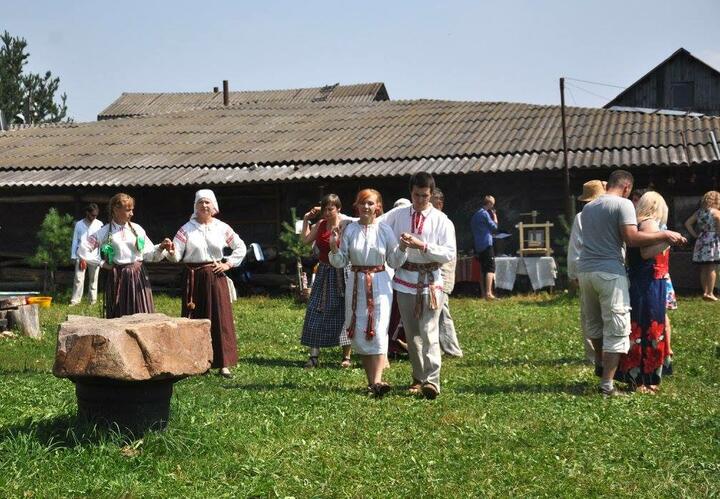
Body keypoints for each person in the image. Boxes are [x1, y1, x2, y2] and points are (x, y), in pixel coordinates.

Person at [576, 169, 686, 397]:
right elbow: (632, 239)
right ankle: (607, 384)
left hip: (585, 271)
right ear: (627, 187)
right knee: (618, 328)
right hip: (609, 272)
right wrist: (666, 236)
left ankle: (601, 364)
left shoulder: (588, 207)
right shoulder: (623, 204)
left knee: (595, 325)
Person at [380, 172, 456, 399]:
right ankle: (418, 376)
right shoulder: (398, 215)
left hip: (431, 282)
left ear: (431, 195)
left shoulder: (442, 220)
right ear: (410, 193)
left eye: (424, 196)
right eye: (416, 195)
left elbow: (449, 253)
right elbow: (375, 225)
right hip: (404, 281)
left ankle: (432, 381)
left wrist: (423, 246)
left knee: (430, 331)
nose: (420, 200)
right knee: (412, 335)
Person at [329, 189, 407, 396]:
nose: (366, 207)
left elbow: (393, 260)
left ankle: (378, 380)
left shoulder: (384, 230)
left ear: (378, 207)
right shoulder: (351, 230)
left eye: (371, 203)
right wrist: (334, 247)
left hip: (380, 284)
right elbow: (340, 261)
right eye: (363, 203)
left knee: (379, 329)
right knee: (361, 329)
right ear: (357, 205)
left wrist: (402, 248)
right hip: (356, 283)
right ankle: (372, 382)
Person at [166, 189, 246, 378]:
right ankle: (198, 363)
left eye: (207, 202)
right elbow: (176, 255)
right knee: (195, 319)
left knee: (220, 319)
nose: (204, 206)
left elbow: (240, 246)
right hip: (193, 278)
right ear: (195, 206)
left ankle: (223, 363)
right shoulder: (186, 229)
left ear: (214, 206)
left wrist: (227, 264)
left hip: (215, 276)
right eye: (200, 202)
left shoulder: (222, 227)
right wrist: (170, 251)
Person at [79, 193, 172, 318]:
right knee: (121, 313)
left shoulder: (137, 229)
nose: (132, 213)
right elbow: (83, 249)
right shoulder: (105, 231)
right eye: (128, 210)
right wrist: (101, 263)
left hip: (139, 275)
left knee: (142, 312)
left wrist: (160, 247)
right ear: (116, 210)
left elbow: (149, 255)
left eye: (132, 210)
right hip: (119, 278)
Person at [616, 192, 673, 392]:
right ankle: (644, 379)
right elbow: (646, 253)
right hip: (649, 281)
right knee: (650, 326)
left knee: (638, 326)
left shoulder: (637, 223)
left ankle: (635, 377)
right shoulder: (649, 223)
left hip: (641, 280)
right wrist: (669, 240)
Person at [298, 194, 352, 369]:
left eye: (331, 209)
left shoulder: (346, 226)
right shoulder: (321, 225)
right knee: (315, 310)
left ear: (338, 209)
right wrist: (306, 219)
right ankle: (314, 356)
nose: (327, 212)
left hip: (342, 271)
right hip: (323, 272)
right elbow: (305, 241)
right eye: (325, 209)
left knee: (344, 312)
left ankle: (346, 356)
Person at [567, 180, 606, 365]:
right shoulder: (609, 214)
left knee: (589, 314)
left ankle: (593, 355)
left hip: (586, 271)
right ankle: (610, 352)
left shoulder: (581, 217)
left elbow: (575, 249)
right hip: (609, 270)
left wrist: (573, 274)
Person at [430, 188, 463, 357]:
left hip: (443, 271)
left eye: (431, 202)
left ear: (439, 204)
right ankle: (444, 347)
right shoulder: (431, 221)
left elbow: (446, 252)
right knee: (437, 310)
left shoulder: (444, 223)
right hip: (433, 272)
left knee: (441, 310)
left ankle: (451, 349)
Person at [684, 190, 720, 301]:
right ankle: (710, 293)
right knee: (712, 267)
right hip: (713, 240)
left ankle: (705, 292)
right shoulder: (716, 212)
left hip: (701, 239)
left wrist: (695, 235)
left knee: (703, 268)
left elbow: (687, 223)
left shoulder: (699, 212)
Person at [70, 203, 103, 306]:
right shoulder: (79, 224)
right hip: (81, 255)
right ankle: (75, 301)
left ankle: (92, 301)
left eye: (96, 215)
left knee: (94, 279)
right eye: (92, 215)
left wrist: (102, 255)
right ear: (87, 213)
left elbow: (101, 240)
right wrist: (74, 256)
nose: (94, 217)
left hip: (94, 256)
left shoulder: (99, 224)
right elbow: (75, 240)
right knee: (78, 279)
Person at [471, 195, 498, 299]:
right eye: (493, 205)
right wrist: (494, 215)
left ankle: (483, 293)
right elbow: (494, 227)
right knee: (490, 268)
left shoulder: (475, 215)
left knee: (483, 270)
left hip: (478, 245)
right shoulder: (485, 214)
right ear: (490, 204)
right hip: (487, 243)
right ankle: (489, 293)